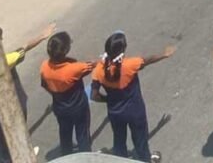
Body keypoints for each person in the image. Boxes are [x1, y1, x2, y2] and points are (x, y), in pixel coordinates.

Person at [0, 24, 54, 163]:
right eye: (0, 38)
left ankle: (6, 156)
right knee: (18, 125)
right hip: (12, 97)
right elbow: (25, 47)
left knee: (0, 126)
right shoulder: (7, 60)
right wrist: (43, 36)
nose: (2, 39)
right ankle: (20, 155)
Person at [91, 32, 174, 162]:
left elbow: (94, 96)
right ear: (123, 50)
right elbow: (148, 60)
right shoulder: (131, 64)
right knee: (140, 140)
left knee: (119, 141)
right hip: (135, 111)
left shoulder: (99, 69)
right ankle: (145, 159)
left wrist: (109, 100)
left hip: (115, 112)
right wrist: (164, 54)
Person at [40, 32, 95, 155]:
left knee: (65, 135)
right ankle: (85, 157)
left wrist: (56, 92)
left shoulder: (44, 66)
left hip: (60, 107)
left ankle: (66, 157)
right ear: (65, 50)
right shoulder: (74, 68)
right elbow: (92, 65)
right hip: (78, 107)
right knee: (82, 135)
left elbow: (44, 84)